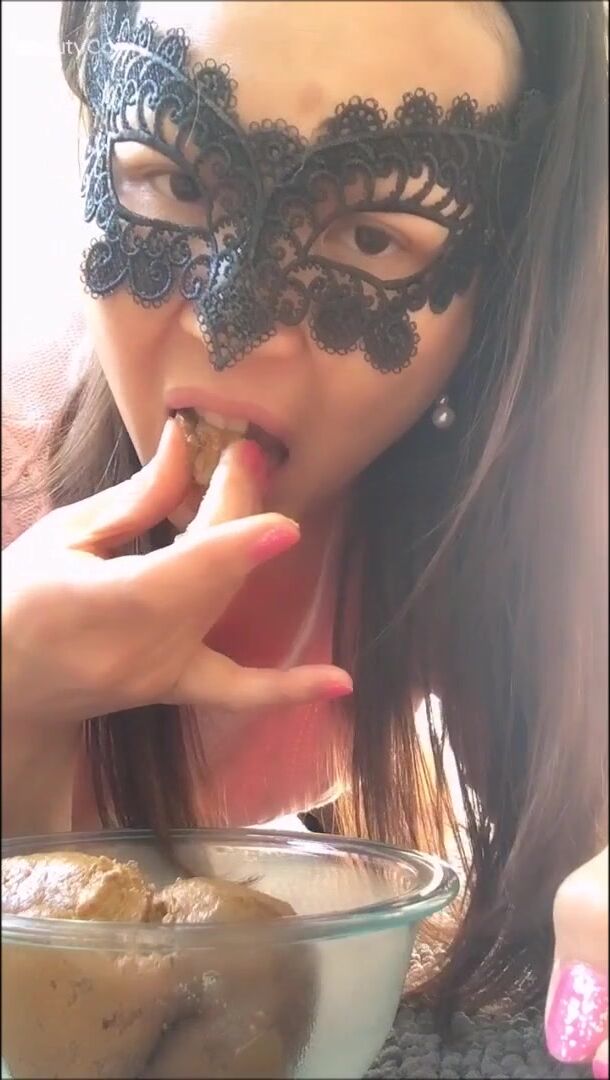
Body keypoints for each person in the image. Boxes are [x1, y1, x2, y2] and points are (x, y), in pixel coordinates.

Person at [2, 0, 607, 1070]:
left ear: (495, 297)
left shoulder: (473, 535)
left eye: (371, 235)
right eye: (175, 180)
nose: (231, 327)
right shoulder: (19, 466)